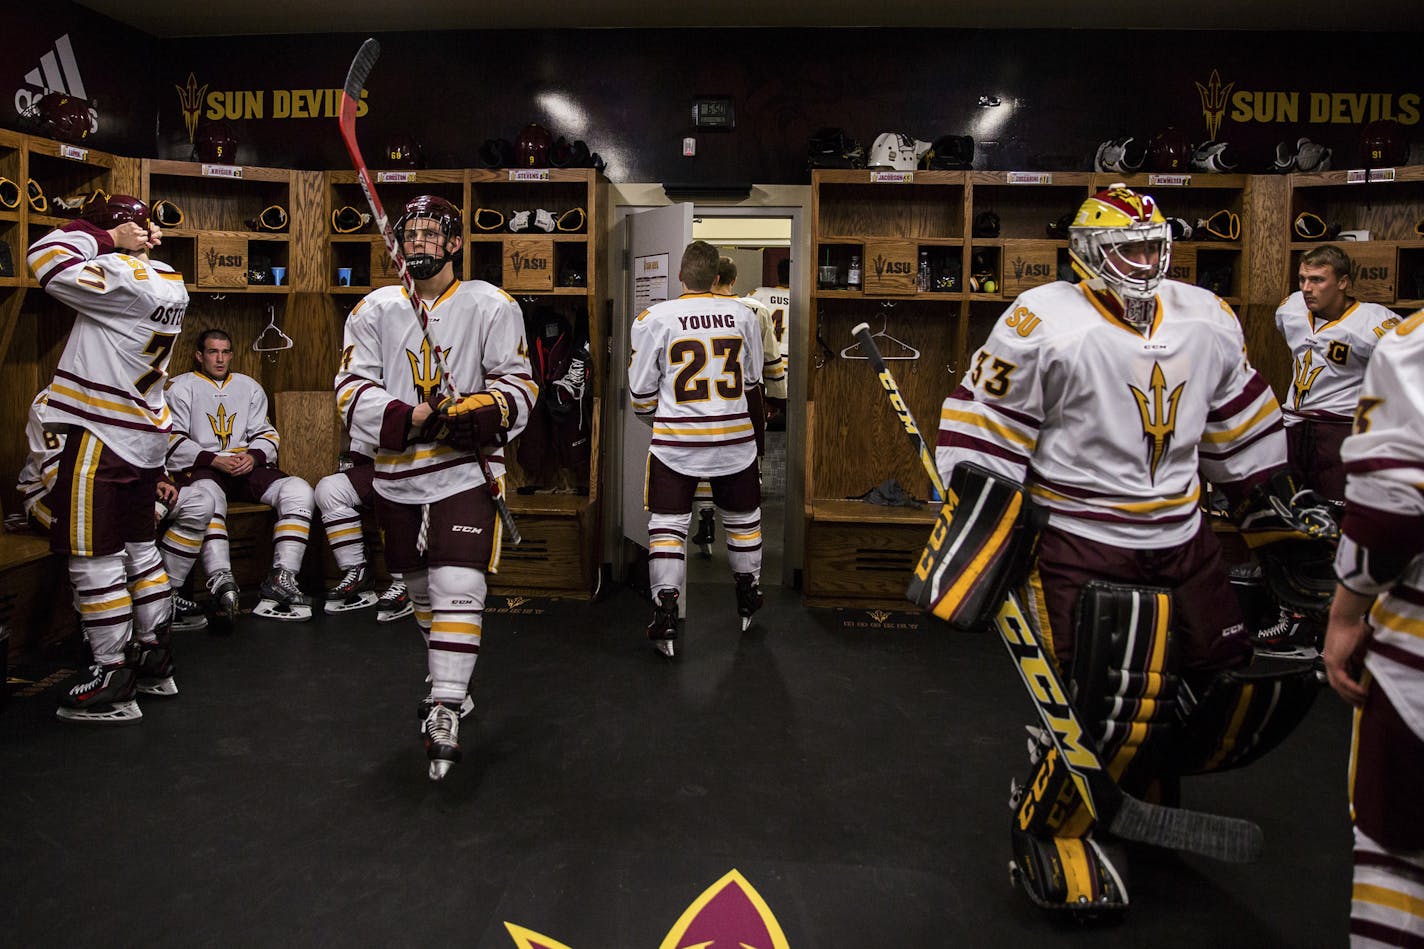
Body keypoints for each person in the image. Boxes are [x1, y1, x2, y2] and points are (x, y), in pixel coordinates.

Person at [934, 184, 1333, 916]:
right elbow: (980, 429)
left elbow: (1237, 418)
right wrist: (980, 518)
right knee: (1103, 702)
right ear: (1089, 253)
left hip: (1184, 535)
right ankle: (1056, 827)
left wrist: (1269, 499)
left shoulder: (1206, 317)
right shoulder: (1038, 321)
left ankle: (1143, 794)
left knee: (1208, 679)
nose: (1146, 262)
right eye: (1130, 247)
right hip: (1083, 542)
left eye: (1155, 247)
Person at [334, 194, 537, 781]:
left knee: (457, 583)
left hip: (465, 472)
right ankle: (449, 676)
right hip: (398, 474)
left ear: (454, 244)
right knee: (422, 592)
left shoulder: (491, 304)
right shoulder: (374, 308)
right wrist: (413, 416)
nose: (419, 242)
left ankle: (445, 703)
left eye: (432, 234)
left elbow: (520, 386)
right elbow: (350, 388)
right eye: (411, 234)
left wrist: (487, 407)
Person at [26, 194, 188, 723]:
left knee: (93, 556)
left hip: (103, 434)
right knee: (140, 549)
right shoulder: (169, 279)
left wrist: (104, 236)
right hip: (143, 437)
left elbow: (44, 259)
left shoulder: (121, 276)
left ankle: (112, 672)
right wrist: (128, 240)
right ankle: (154, 655)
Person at [1323, 309, 1424, 949]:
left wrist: (1345, 613)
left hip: (1417, 657)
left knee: (1400, 858)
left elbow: (1390, 512)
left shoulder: (1411, 342)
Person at [628, 240, 766, 657]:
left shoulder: (654, 318)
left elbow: (639, 393)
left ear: (681, 275)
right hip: (734, 440)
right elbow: (753, 380)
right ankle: (748, 595)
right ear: (718, 277)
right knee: (743, 520)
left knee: (668, 526)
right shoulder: (745, 314)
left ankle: (665, 611)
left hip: (676, 443)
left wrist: (664, 417)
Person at [17, 386, 216, 633]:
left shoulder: (129, 395)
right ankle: (92, 627)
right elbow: (61, 481)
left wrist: (159, 480)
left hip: (123, 490)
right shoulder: (52, 402)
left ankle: (167, 595)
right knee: (100, 529)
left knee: (199, 502)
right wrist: (137, 509)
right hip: (52, 498)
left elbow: (145, 452)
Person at [166, 329, 314, 621]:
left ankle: (281, 578)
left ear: (232, 355)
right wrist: (213, 460)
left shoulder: (249, 386)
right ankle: (221, 579)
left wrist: (253, 456)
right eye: (212, 352)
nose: (220, 359)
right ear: (199, 355)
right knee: (207, 498)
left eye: (225, 352)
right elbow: (171, 440)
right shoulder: (180, 387)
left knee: (299, 490)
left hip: (243, 465)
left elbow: (266, 433)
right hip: (204, 467)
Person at [1275, 244, 1399, 507]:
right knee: (1289, 514)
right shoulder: (1290, 309)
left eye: (1318, 279)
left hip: (1340, 431)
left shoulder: (1374, 324)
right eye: (1302, 279)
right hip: (1292, 428)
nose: (1307, 288)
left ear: (1342, 282)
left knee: (1337, 515)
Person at [689, 256, 786, 555]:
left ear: (713, 278)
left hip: (702, 393)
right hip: (745, 393)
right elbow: (770, 356)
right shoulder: (755, 308)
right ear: (733, 278)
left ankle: (706, 517)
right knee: (746, 459)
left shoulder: (689, 309)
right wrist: (777, 395)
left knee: (704, 462)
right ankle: (745, 531)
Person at [312, 440, 412, 621]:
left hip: (422, 464)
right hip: (379, 464)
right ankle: (357, 573)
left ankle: (407, 581)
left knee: (396, 488)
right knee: (330, 489)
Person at [750, 257, 792, 430]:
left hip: (765, 366)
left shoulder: (758, 294)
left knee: (762, 421)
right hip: (793, 366)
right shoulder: (802, 296)